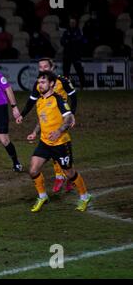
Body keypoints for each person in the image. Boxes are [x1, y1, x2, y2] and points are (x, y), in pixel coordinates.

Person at [27, 71, 91, 212]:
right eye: (39, 82)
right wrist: (34, 132)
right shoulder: (39, 101)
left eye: (43, 82)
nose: (40, 85)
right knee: (33, 170)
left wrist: (59, 131)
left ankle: (85, 197)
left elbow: (68, 118)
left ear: (51, 84)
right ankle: (42, 196)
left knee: (69, 173)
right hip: (45, 142)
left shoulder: (59, 99)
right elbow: (41, 119)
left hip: (61, 143)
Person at [16, 58, 77, 193]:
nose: (43, 69)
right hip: (49, 118)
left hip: (62, 118)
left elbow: (74, 97)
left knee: (61, 147)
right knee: (53, 145)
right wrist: (22, 115)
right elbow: (31, 102)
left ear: (52, 67)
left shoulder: (63, 81)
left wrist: (72, 115)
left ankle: (67, 177)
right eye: (40, 67)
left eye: (45, 66)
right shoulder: (40, 84)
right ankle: (60, 176)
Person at [61, 17, 86, 90]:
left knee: (79, 70)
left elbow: (81, 40)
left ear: (76, 23)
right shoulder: (66, 32)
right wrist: (71, 41)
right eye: (71, 22)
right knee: (66, 72)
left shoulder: (79, 31)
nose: (72, 24)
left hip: (76, 55)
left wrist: (70, 41)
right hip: (67, 55)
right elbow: (62, 41)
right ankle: (66, 87)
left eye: (73, 22)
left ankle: (82, 86)